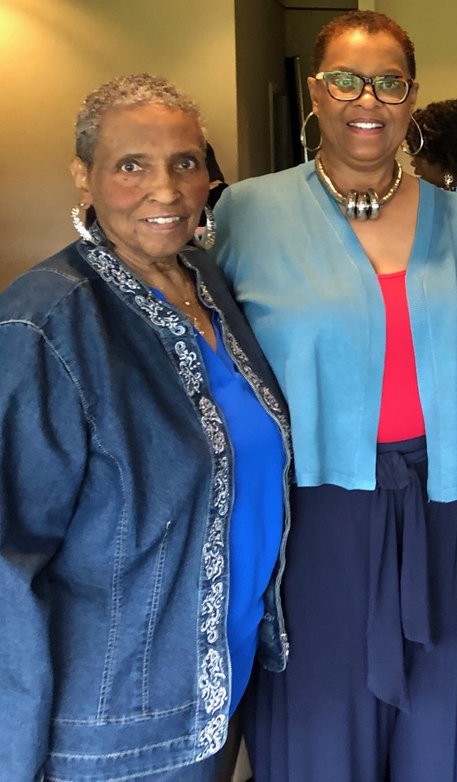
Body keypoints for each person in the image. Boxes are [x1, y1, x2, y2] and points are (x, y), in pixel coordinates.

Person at [213, 9, 457, 782]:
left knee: (445, 748)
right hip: (310, 529)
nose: (368, 99)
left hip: (446, 516)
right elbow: (217, 370)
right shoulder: (249, 215)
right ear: (315, 92)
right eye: (346, 80)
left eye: (389, 82)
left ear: (411, 96)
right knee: (320, 747)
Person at [0, 74, 290, 781]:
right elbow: (8, 562)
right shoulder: (44, 324)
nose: (166, 189)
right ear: (84, 175)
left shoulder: (205, 282)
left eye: (185, 162)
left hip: (219, 687)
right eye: (132, 165)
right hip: (113, 726)